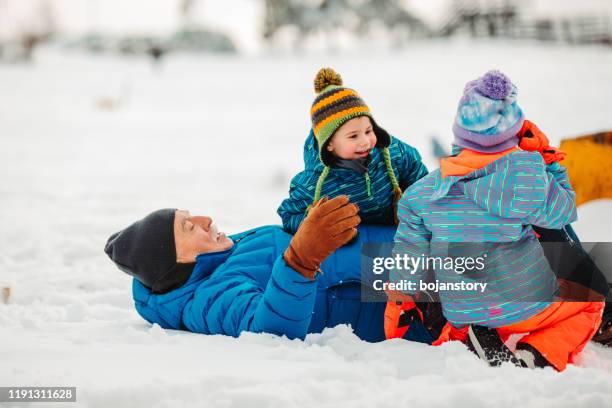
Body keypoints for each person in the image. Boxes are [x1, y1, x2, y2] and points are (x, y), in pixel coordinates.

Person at [389, 70, 605, 371]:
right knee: (591, 303)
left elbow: (407, 262)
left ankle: (463, 336)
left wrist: (398, 307)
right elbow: (563, 212)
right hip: (523, 306)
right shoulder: (528, 179)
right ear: (515, 132)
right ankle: (539, 352)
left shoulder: (422, 193)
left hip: (462, 310)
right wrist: (547, 160)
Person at [104, 196, 433, 343]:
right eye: (190, 228)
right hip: (401, 295)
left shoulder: (226, 250)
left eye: (192, 215)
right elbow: (268, 329)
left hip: (406, 245)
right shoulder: (207, 299)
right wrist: (301, 261)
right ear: (179, 263)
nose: (205, 220)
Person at [278, 67, 428, 234]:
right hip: (351, 245)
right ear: (329, 144)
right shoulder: (313, 183)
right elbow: (289, 214)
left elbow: (418, 177)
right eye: (353, 136)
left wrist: (416, 206)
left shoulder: (394, 154)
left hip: (393, 235)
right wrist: (315, 223)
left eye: (368, 131)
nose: (365, 141)